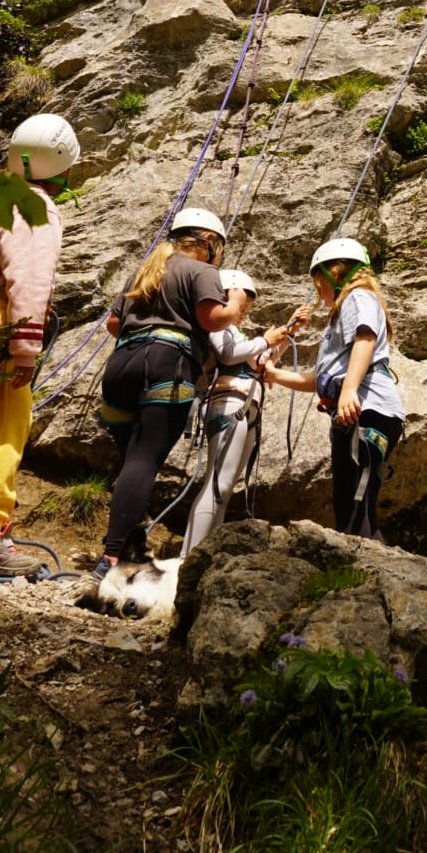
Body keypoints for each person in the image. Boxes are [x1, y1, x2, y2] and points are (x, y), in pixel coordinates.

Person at [0, 114, 79, 578]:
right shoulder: (35, 208)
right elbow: (30, 277)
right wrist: (26, 348)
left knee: (8, 426)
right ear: (61, 165)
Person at [91, 206, 245, 586]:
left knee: (133, 461)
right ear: (209, 243)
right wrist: (236, 304)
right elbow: (212, 318)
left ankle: (127, 545)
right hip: (165, 364)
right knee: (143, 461)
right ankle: (115, 559)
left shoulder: (147, 270)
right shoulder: (200, 270)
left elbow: (114, 323)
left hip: (121, 364)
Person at [264, 237, 404, 541]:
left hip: (365, 408)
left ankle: (360, 566)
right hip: (360, 410)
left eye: (320, 284)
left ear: (336, 274)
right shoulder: (343, 312)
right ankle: (371, 564)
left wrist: (350, 390)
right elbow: (320, 378)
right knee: (354, 503)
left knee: (354, 504)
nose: (319, 293)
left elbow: (365, 339)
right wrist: (274, 374)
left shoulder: (358, 297)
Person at [179, 269, 309, 558]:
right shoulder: (216, 324)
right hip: (228, 404)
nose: (242, 314)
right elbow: (228, 354)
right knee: (217, 484)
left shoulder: (235, 333)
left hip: (244, 406)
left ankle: (201, 559)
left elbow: (260, 362)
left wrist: (288, 331)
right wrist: (266, 339)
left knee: (224, 490)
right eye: (242, 307)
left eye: (247, 310)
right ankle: (186, 558)